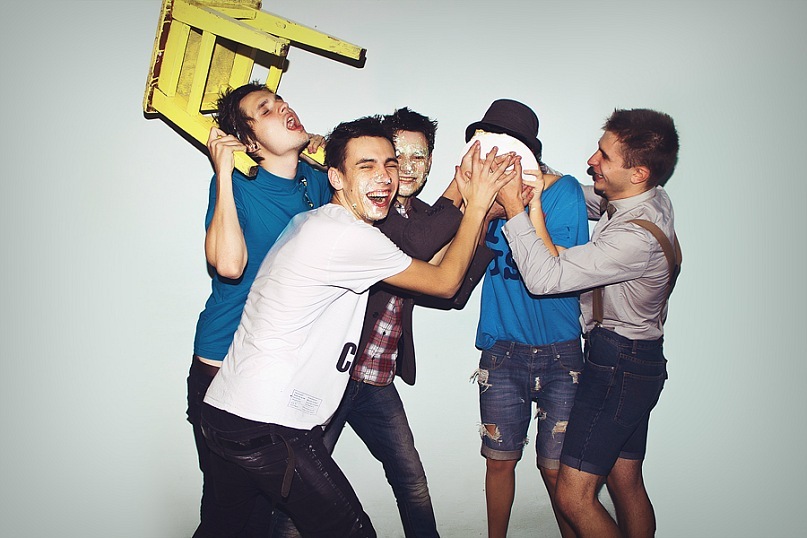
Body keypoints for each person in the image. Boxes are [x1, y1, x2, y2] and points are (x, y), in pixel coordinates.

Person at [196, 116, 517, 537]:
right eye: (367, 166)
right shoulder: (347, 236)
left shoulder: (314, 222)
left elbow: (432, 257)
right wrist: (476, 205)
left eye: (389, 165)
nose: (384, 176)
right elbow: (444, 282)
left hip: (225, 412)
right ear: (336, 177)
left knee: (224, 530)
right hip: (268, 423)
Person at [273, 107, 472, 538]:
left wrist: (481, 215)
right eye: (397, 158)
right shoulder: (368, 218)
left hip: (377, 378)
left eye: (418, 157)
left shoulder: (426, 218)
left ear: (431, 162)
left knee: (412, 481)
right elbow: (422, 249)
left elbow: (451, 289)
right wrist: (467, 193)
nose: (406, 168)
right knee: (298, 494)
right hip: (332, 376)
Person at [496, 108, 680, 538]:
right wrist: (539, 177)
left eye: (604, 156)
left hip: (618, 363)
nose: (591, 160)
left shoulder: (635, 237)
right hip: (638, 361)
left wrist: (516, 209)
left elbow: (544, 278)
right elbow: (586, 197)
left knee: (573, 497)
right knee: (625, 481)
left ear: (637, 173)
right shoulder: (647, 198)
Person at [187, 81, 332, 536]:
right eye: (265, 109)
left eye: (282, 101)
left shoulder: (316, 182)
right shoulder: (237, 188)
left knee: (268, 508)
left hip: (277, 366)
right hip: (221, 364)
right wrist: (223, 173)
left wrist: (328, 153)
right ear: (249, 141)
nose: (283, 108)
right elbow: (229, 265)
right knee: (229, 513)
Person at [462, 99, 589, 538]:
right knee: (499, 463)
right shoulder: (485, 200)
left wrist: (526, 204)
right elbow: (456, 260)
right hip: (502, 350)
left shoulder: (564, 192)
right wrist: (478, 203)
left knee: (557, 472)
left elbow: (555, 270)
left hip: (560, 352)